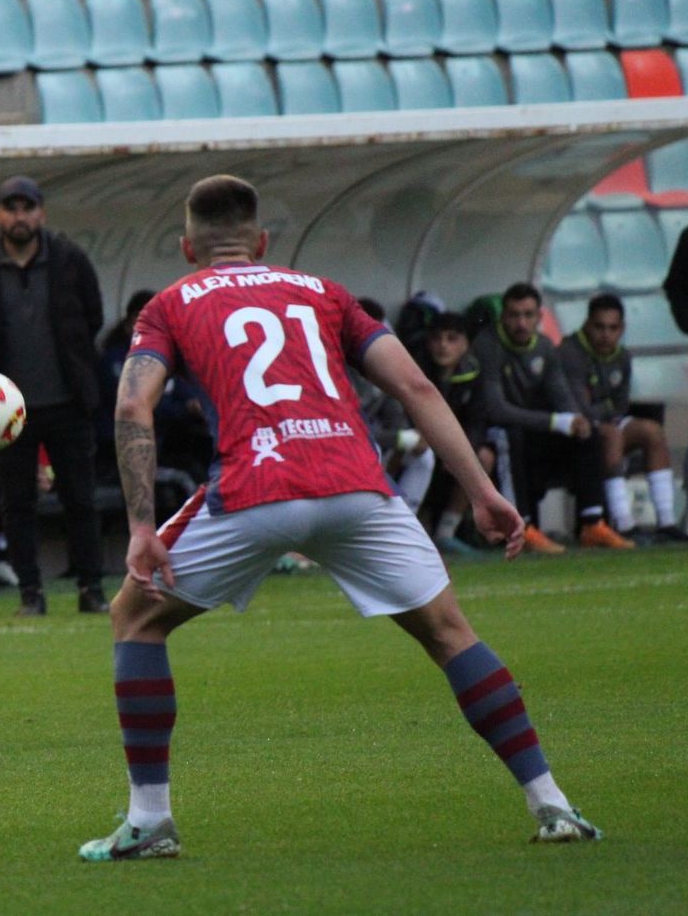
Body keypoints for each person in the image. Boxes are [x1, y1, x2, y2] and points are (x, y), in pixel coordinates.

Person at [79, 175, 599, 863]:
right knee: (449, 633)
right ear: (264, 243)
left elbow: (131, 407)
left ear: (187, 248)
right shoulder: (323, 292)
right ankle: (553, 802)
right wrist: (480, 488)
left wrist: (143, 527)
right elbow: (414, 385)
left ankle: (150, 820)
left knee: (136, 618)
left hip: (256, 484)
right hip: (355, 484)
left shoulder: (171, 304)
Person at [0, 174, 109, 616]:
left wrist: (76, 368)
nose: (20, 216)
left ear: (41, 213)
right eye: (11, 208)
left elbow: (92, 317)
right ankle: (30, 593)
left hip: (67, 400)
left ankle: (91, 588)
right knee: (18, 504)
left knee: (81, 499)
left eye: (27, 207)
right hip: (5, 414)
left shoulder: (69, 259)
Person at [471, 283, 629, 554]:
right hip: (490, 430)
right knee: (509, 435)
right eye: (514, 315)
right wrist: (556, 422)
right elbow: (496, 409)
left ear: (539, 317)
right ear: (503, 317)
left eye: (528, 315)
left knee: (587, 433)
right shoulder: (488, 346)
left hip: (534, 429)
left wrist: (576, 420)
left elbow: (561, 395)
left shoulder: (545, 347)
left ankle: (592, 523)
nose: (521, 323)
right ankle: (521, 527)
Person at [558, 293, 688, 543]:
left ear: (622, 328)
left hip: (607, 425)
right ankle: (622, 521)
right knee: (611, 434)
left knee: (651, 430)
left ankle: (666, 520)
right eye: (599, 327)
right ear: (586, 324)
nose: (605, 334)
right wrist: (603, 410)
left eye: (612, 328)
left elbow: (620, 405)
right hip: (570, 435)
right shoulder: (570, 353)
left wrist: (603, 409)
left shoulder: (622, 356)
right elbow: (579, 408)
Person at [418, 313, 499, 555]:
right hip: (423, 446)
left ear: (465, 343)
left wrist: (458, 452)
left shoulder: (474, 373)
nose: (443, 346)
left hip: (452, 451)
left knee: (483, 457)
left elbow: (477, 421)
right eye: (437, 338)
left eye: (452, 339)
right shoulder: (415, 369)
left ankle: (447, 530)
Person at [353, 298, 436, 514]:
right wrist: (399, 438)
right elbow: (348, 431)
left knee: (423, 454)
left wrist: (404, 438)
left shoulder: (378, 358)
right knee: (375, 450)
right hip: (338, 450)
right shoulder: (332, 361)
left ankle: (408, 519)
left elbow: (394, 411)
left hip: (375, 442)